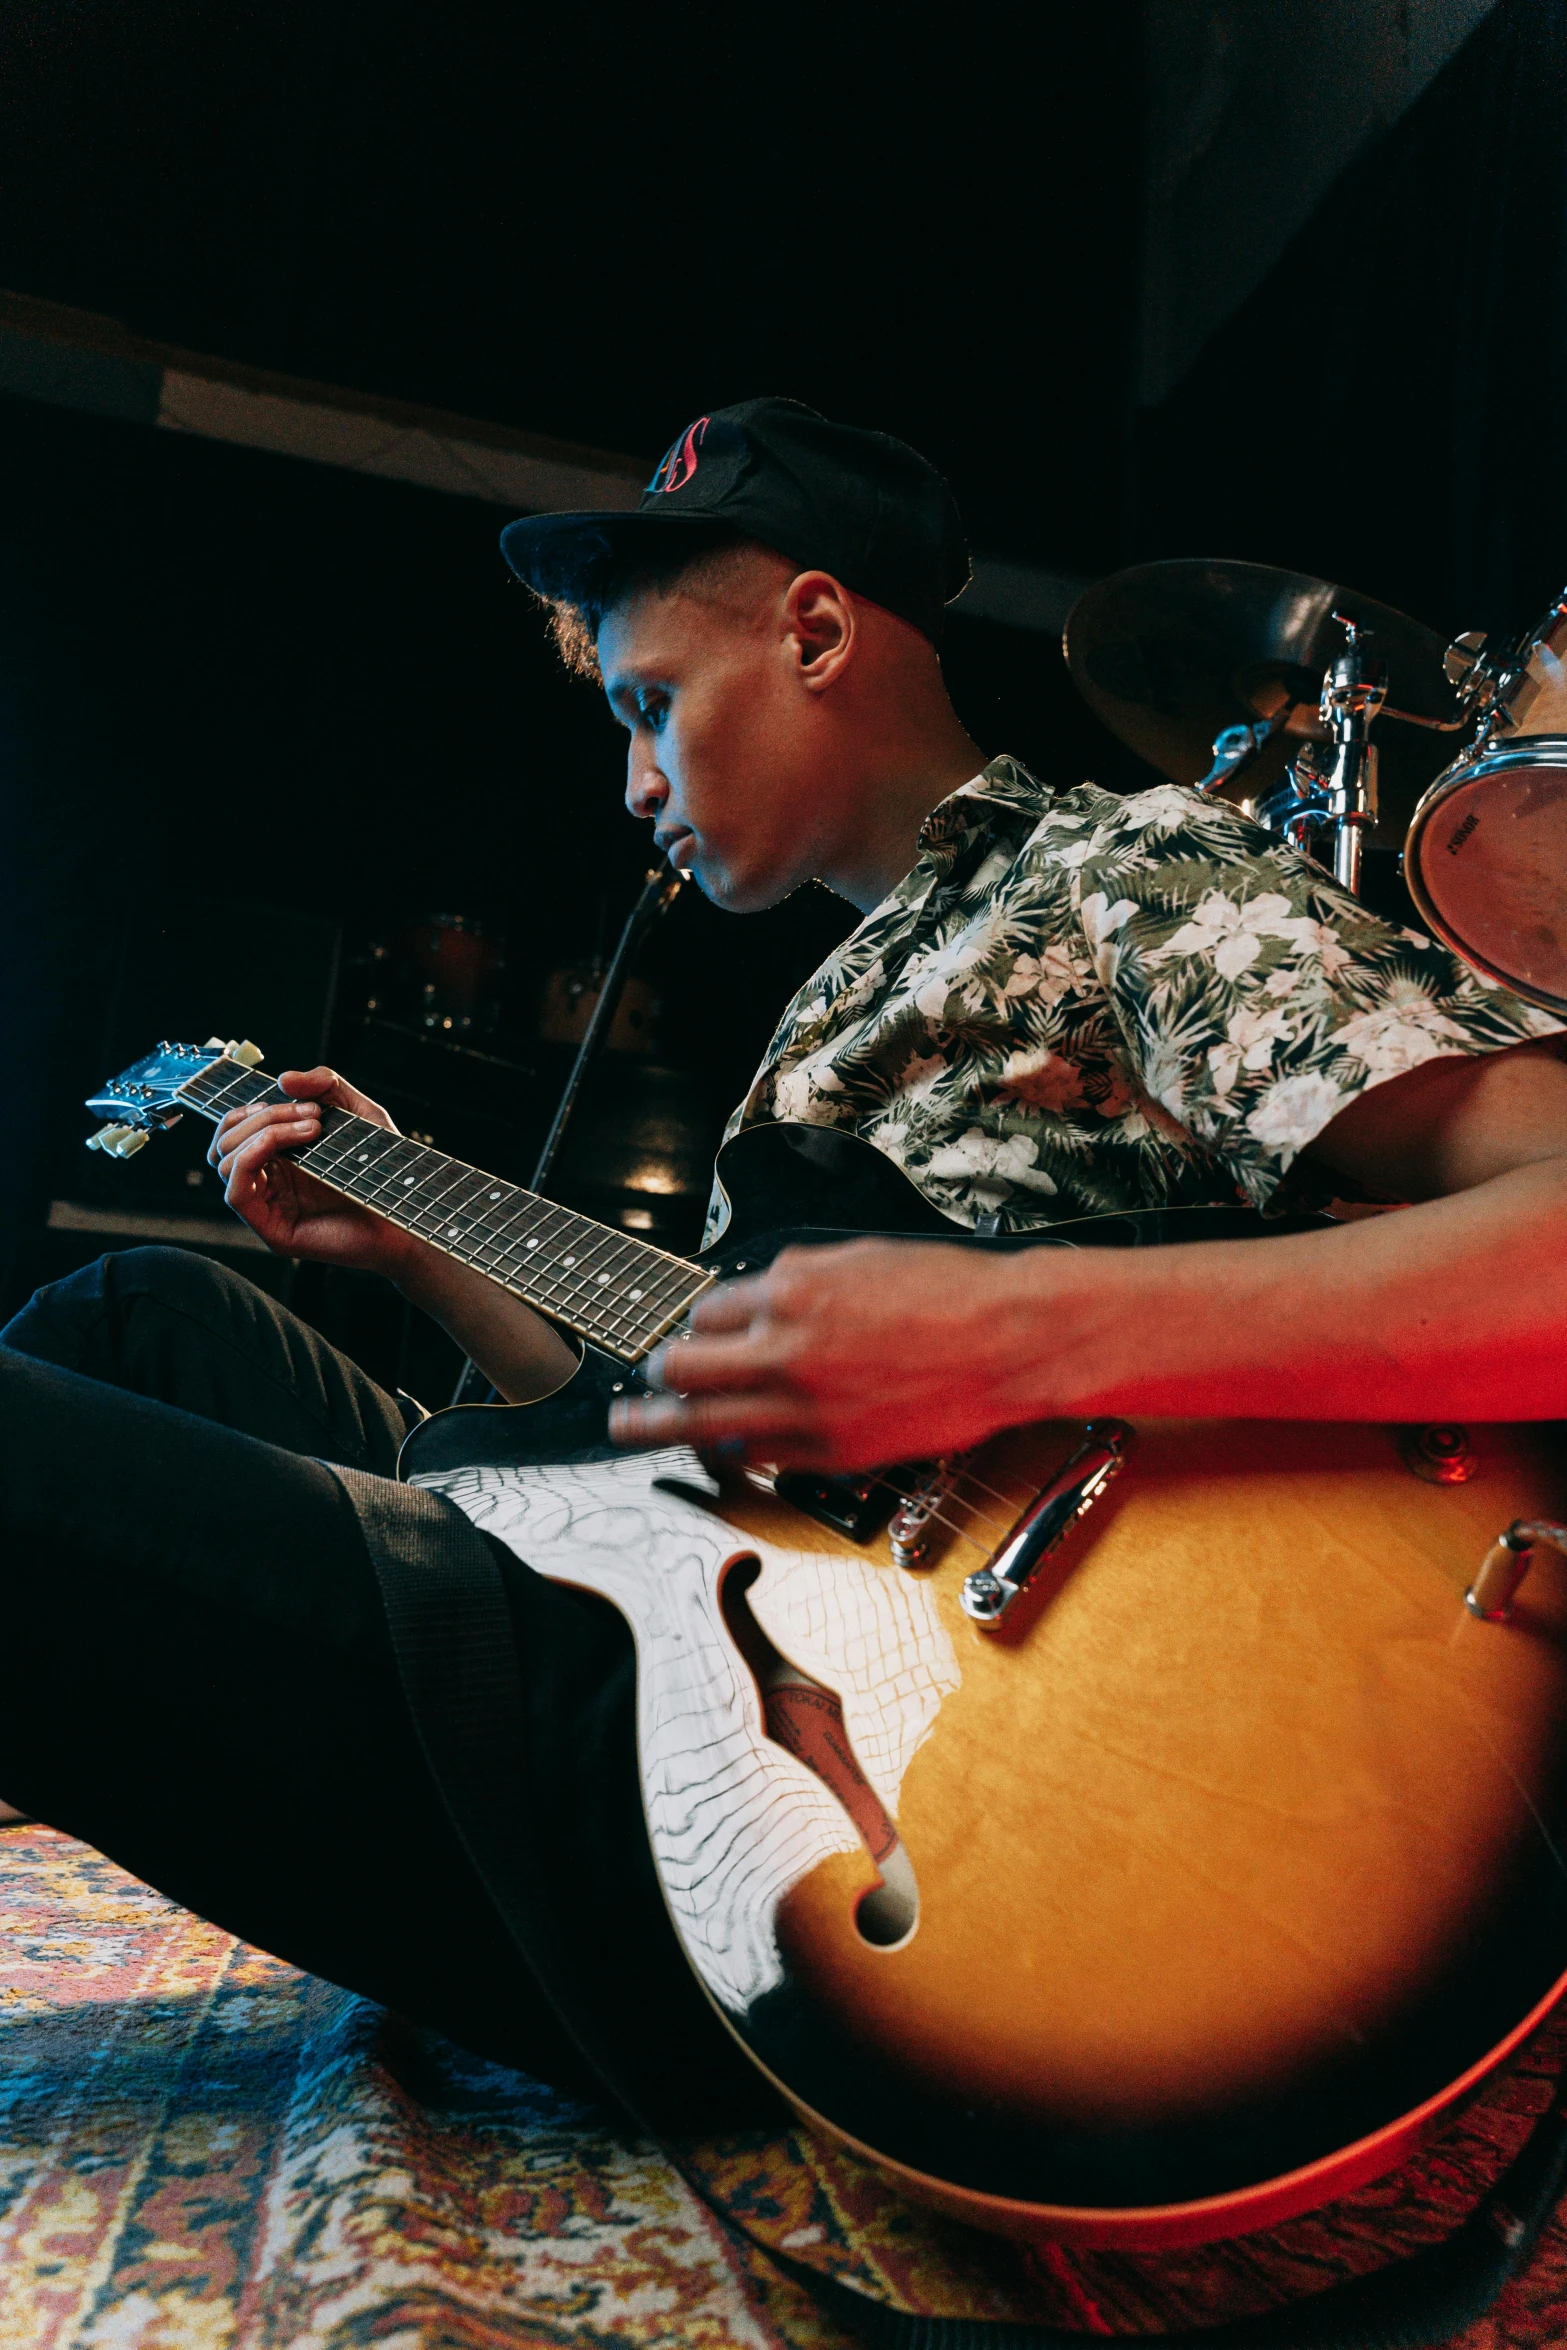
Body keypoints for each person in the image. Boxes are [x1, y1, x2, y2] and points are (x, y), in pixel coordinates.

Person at [2, 397, 1566, 2136]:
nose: (630, 780)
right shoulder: (831, 1014)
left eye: (650, 705)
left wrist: (1015, 1329)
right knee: (142, 1314)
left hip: (861, 1795)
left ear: (815, 631)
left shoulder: (1126, 870)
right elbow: (666, 1451)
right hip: (686, 1616)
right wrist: (421, 1240)